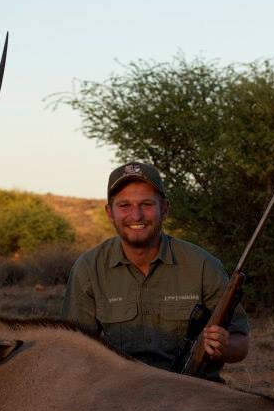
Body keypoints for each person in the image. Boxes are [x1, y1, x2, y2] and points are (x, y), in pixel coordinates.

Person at [61, 162, 249, 381]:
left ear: (165, 208)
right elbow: (72, 352)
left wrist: (223, 346)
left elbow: (241, 344)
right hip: (119, 395)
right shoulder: (88, 268)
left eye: (147, 204)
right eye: (124, 206)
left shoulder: (203, 265)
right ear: (109, 213)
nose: (136, 215)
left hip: (195, 396)